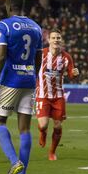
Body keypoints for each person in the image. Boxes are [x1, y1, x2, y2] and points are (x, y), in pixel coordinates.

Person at [0, 0, 42, 174]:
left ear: (8, 6)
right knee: (25, 128)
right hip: (29, 80)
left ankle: (14, 162)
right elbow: (38, 57)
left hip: (10, 80)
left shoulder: (4, 25)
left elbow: (1, 56)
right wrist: (33, 75)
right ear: (23, 6)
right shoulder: (36, 27)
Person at [36, 28, 79, 161]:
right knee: (43, 125)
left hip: (58, 96)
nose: (56, 40)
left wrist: (74, 74)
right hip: (43, 95)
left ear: (61, 40)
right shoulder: (41, 54)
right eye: (53, 38)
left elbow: (71, 75)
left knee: (58, 126)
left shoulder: (67, 57)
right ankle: (42, 133)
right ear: (48, 40)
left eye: (58, 38)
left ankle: (52, 152)